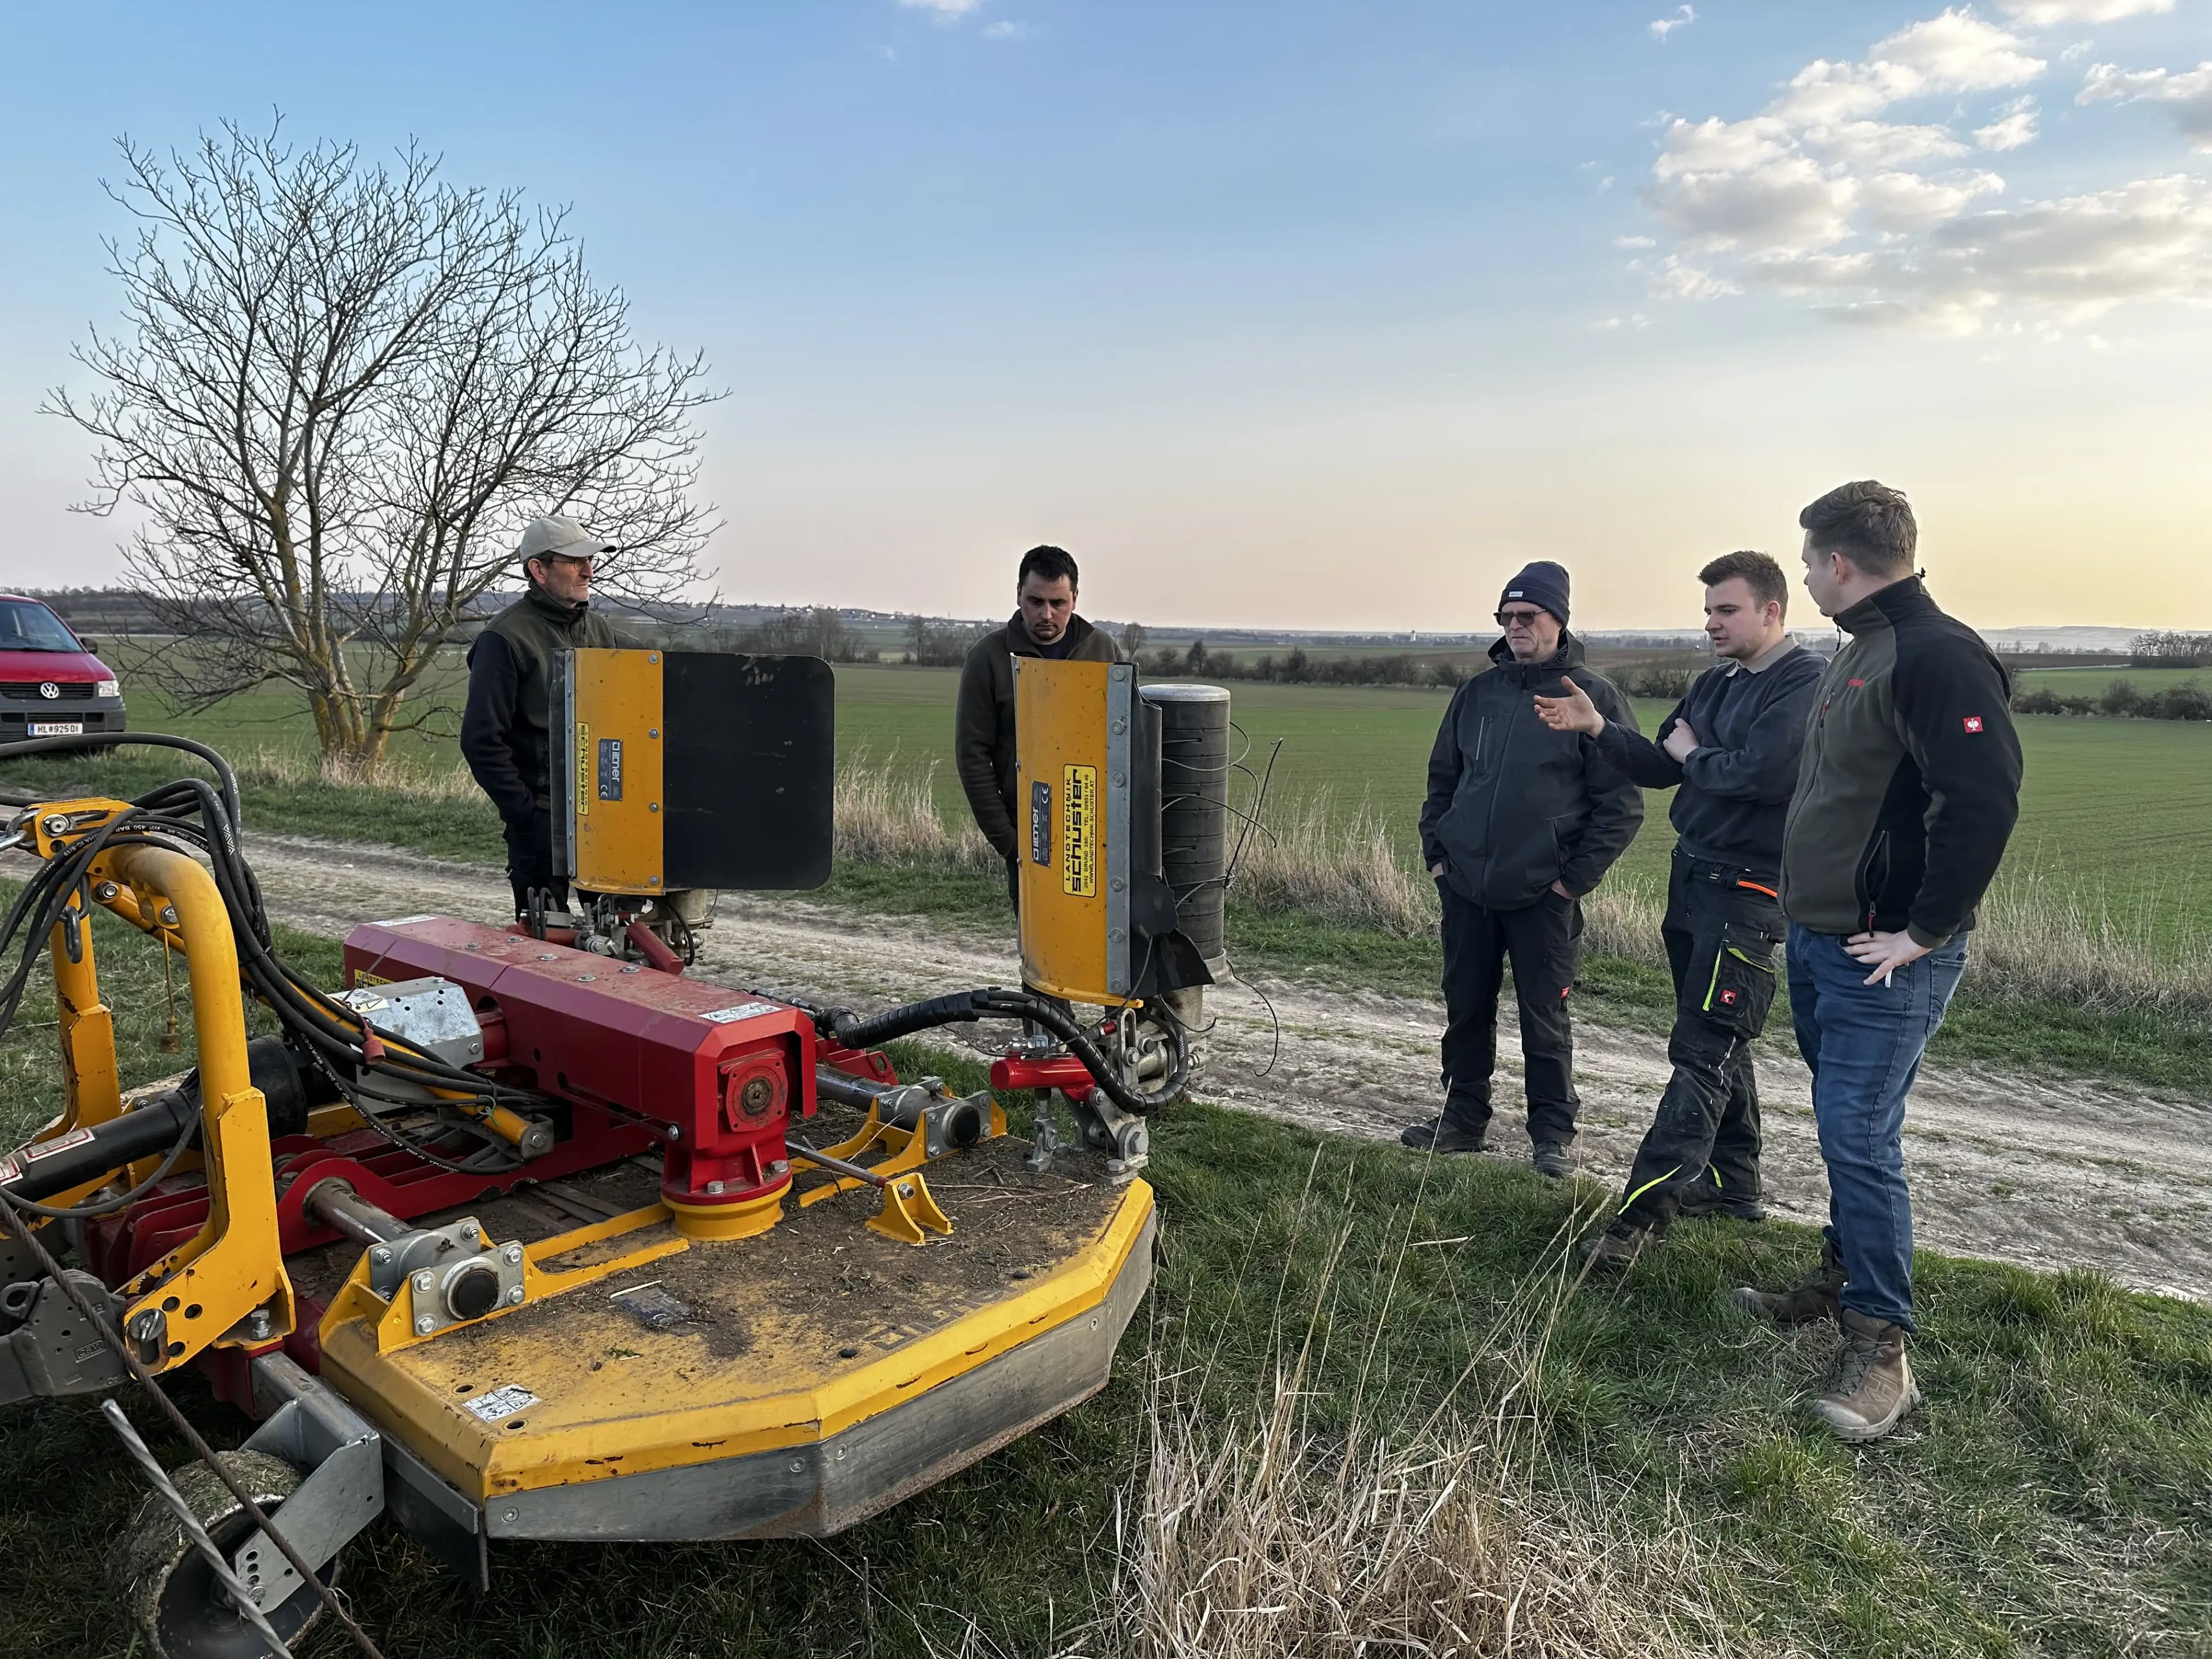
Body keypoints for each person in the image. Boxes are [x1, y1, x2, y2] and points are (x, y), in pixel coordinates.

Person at [1733, 481, 2022, 1444]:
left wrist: (1926, 931)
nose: (1807, 575)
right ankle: (1842, 1277)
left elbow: (1981, 801)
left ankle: (1883, 1349)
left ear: (1838, 562)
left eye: (1810, 562)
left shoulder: (1937, 656)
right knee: (1841, 1122)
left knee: (1858, 1133)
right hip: (1822, 940)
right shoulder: (1862, 650)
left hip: (1883, 959)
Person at [1534, 551, 1824, 1266]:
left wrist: (1699, 758)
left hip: (1751, 889)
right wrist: (1599, 728)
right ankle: (1733, 1182)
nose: (1710, 624)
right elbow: (1666, 763)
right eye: (1707, 612)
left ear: (1772, 611)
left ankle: (1634, 1224)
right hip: (1692, 877)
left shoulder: (1805, 683)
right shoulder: (1714, 683)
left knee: (1701, 1052)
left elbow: (1765, 774)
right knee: (1719, 1041)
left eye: (1725, 610)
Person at [1403, 562, 1643, 1176]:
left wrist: (1571, 881)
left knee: (1544, 1015)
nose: (1515, 628)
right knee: (1466, 1007)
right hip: (1467, 887)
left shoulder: (1590, 697)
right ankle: (1461, 1120)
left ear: (1557, 620)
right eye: (1506, 618)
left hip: (1543, 894)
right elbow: (1443, 779)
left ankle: (1552, 1137)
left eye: (1527, 616)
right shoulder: (1477, 694)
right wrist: (1439, 855)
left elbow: (1620, 804)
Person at [460, 516, 628, 917]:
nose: (589, 570)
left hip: (605, 817)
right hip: (541, 823)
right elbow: (482, 742)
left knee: (618, 943)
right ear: (538, 570)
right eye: (574, 561)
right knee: (546, 948)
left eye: (589, 560)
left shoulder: (601, 632)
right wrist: (525, 814)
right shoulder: (505, 638)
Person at [955, 545, 1126, 908]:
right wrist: (1010, 842)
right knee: (1041, 956)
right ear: (1019, 595)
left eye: (1058, 603)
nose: (1046, 614)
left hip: (1099, 837)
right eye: (1035, 601)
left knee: (1105, 955)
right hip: (1031, 839)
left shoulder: (1104, 651)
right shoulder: (988, 659)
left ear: (1075, 599)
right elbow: (972, 757)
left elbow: (1129, 744)